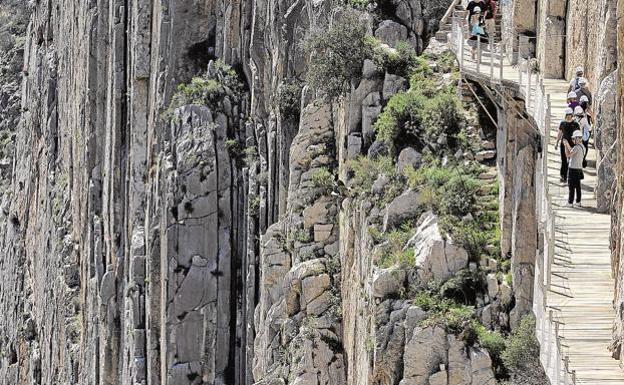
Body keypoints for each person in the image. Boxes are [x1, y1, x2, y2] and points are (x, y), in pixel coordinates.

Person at [554, 107, 580, 182]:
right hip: (564, 144)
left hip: (572, 144)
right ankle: (563, 176)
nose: (568, 116)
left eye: (569, 115)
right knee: (564, 160)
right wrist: (556, 142)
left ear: (572, 115)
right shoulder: (562, 123)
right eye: (567, 115)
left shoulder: (575, 124)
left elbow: (578, 134)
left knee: (572, 160)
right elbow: (560, 133)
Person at [563, 130, 585, 207]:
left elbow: (568, 154)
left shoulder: (577, 147)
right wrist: (568, 144)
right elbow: (572, 151)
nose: (573, 140)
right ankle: (578, 201)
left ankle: (570, 202)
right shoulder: (582, 147)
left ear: (578, 138)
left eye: (574, 139)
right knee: (578, 186)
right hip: (579, 168)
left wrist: (565, 146)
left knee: (571, 186)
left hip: (573, 169)